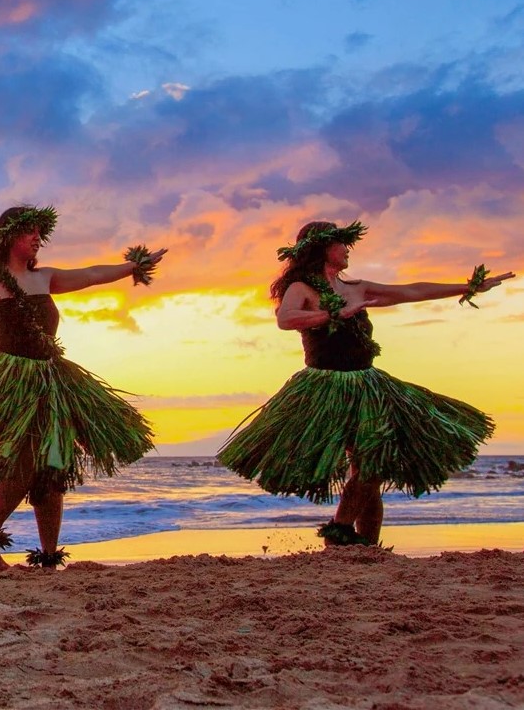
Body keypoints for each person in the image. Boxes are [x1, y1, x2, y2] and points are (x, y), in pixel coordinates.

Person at [218, 220, 514, 546]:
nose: (347, 249)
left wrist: (467, 287)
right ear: (321, 248)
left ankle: (365, 546)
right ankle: (341, 533)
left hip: (369, 386)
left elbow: (411, 291)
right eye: (342, 243)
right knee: (370, 467)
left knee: (372, 464)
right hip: (325, 387)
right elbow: (285, 319)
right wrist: (334, 315)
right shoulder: (302, 288)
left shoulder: (357, 287)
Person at [0, 205, 166, 569]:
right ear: (9, 236)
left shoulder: (44, 277)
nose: (37, 239)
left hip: (52, 381)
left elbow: (92, 274)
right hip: (10, 380)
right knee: (22, 460)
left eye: (39, 234)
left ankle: (48, 556)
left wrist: (133, 266)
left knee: (52, 467)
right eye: (30, 232)